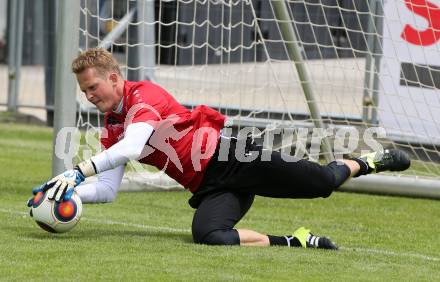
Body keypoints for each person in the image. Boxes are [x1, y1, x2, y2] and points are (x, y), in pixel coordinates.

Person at [27, 48, 410, 250]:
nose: (89, 96)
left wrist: (77, 170)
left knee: (323, 182)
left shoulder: (145, 96)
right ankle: (296, 240)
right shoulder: (111, 125)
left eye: (93, 88)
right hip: (211, 184)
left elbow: (132, 147)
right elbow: (108, 191)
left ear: (114, 78)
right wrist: (70, 191)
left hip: (237, 157)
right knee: (211, 235)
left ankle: (367, 160)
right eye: (84, 91)